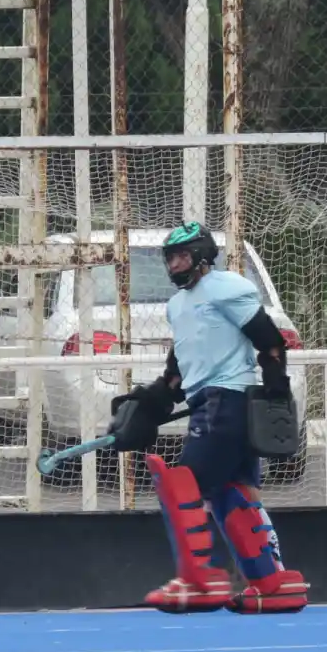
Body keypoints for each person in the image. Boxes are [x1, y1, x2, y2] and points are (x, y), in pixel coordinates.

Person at [107, 221, 310, 615]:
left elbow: (269, 341)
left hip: (228, 400)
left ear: (202, 257)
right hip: (207, 401)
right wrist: (149, 404)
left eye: (182, 256)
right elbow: (177, 373)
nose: (175, 265)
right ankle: (272, 585)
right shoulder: (177, 305)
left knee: (181, 485)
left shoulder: (227, 288)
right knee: (231, 493)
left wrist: (275, 387)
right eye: (170, 258)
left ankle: (201, 582)